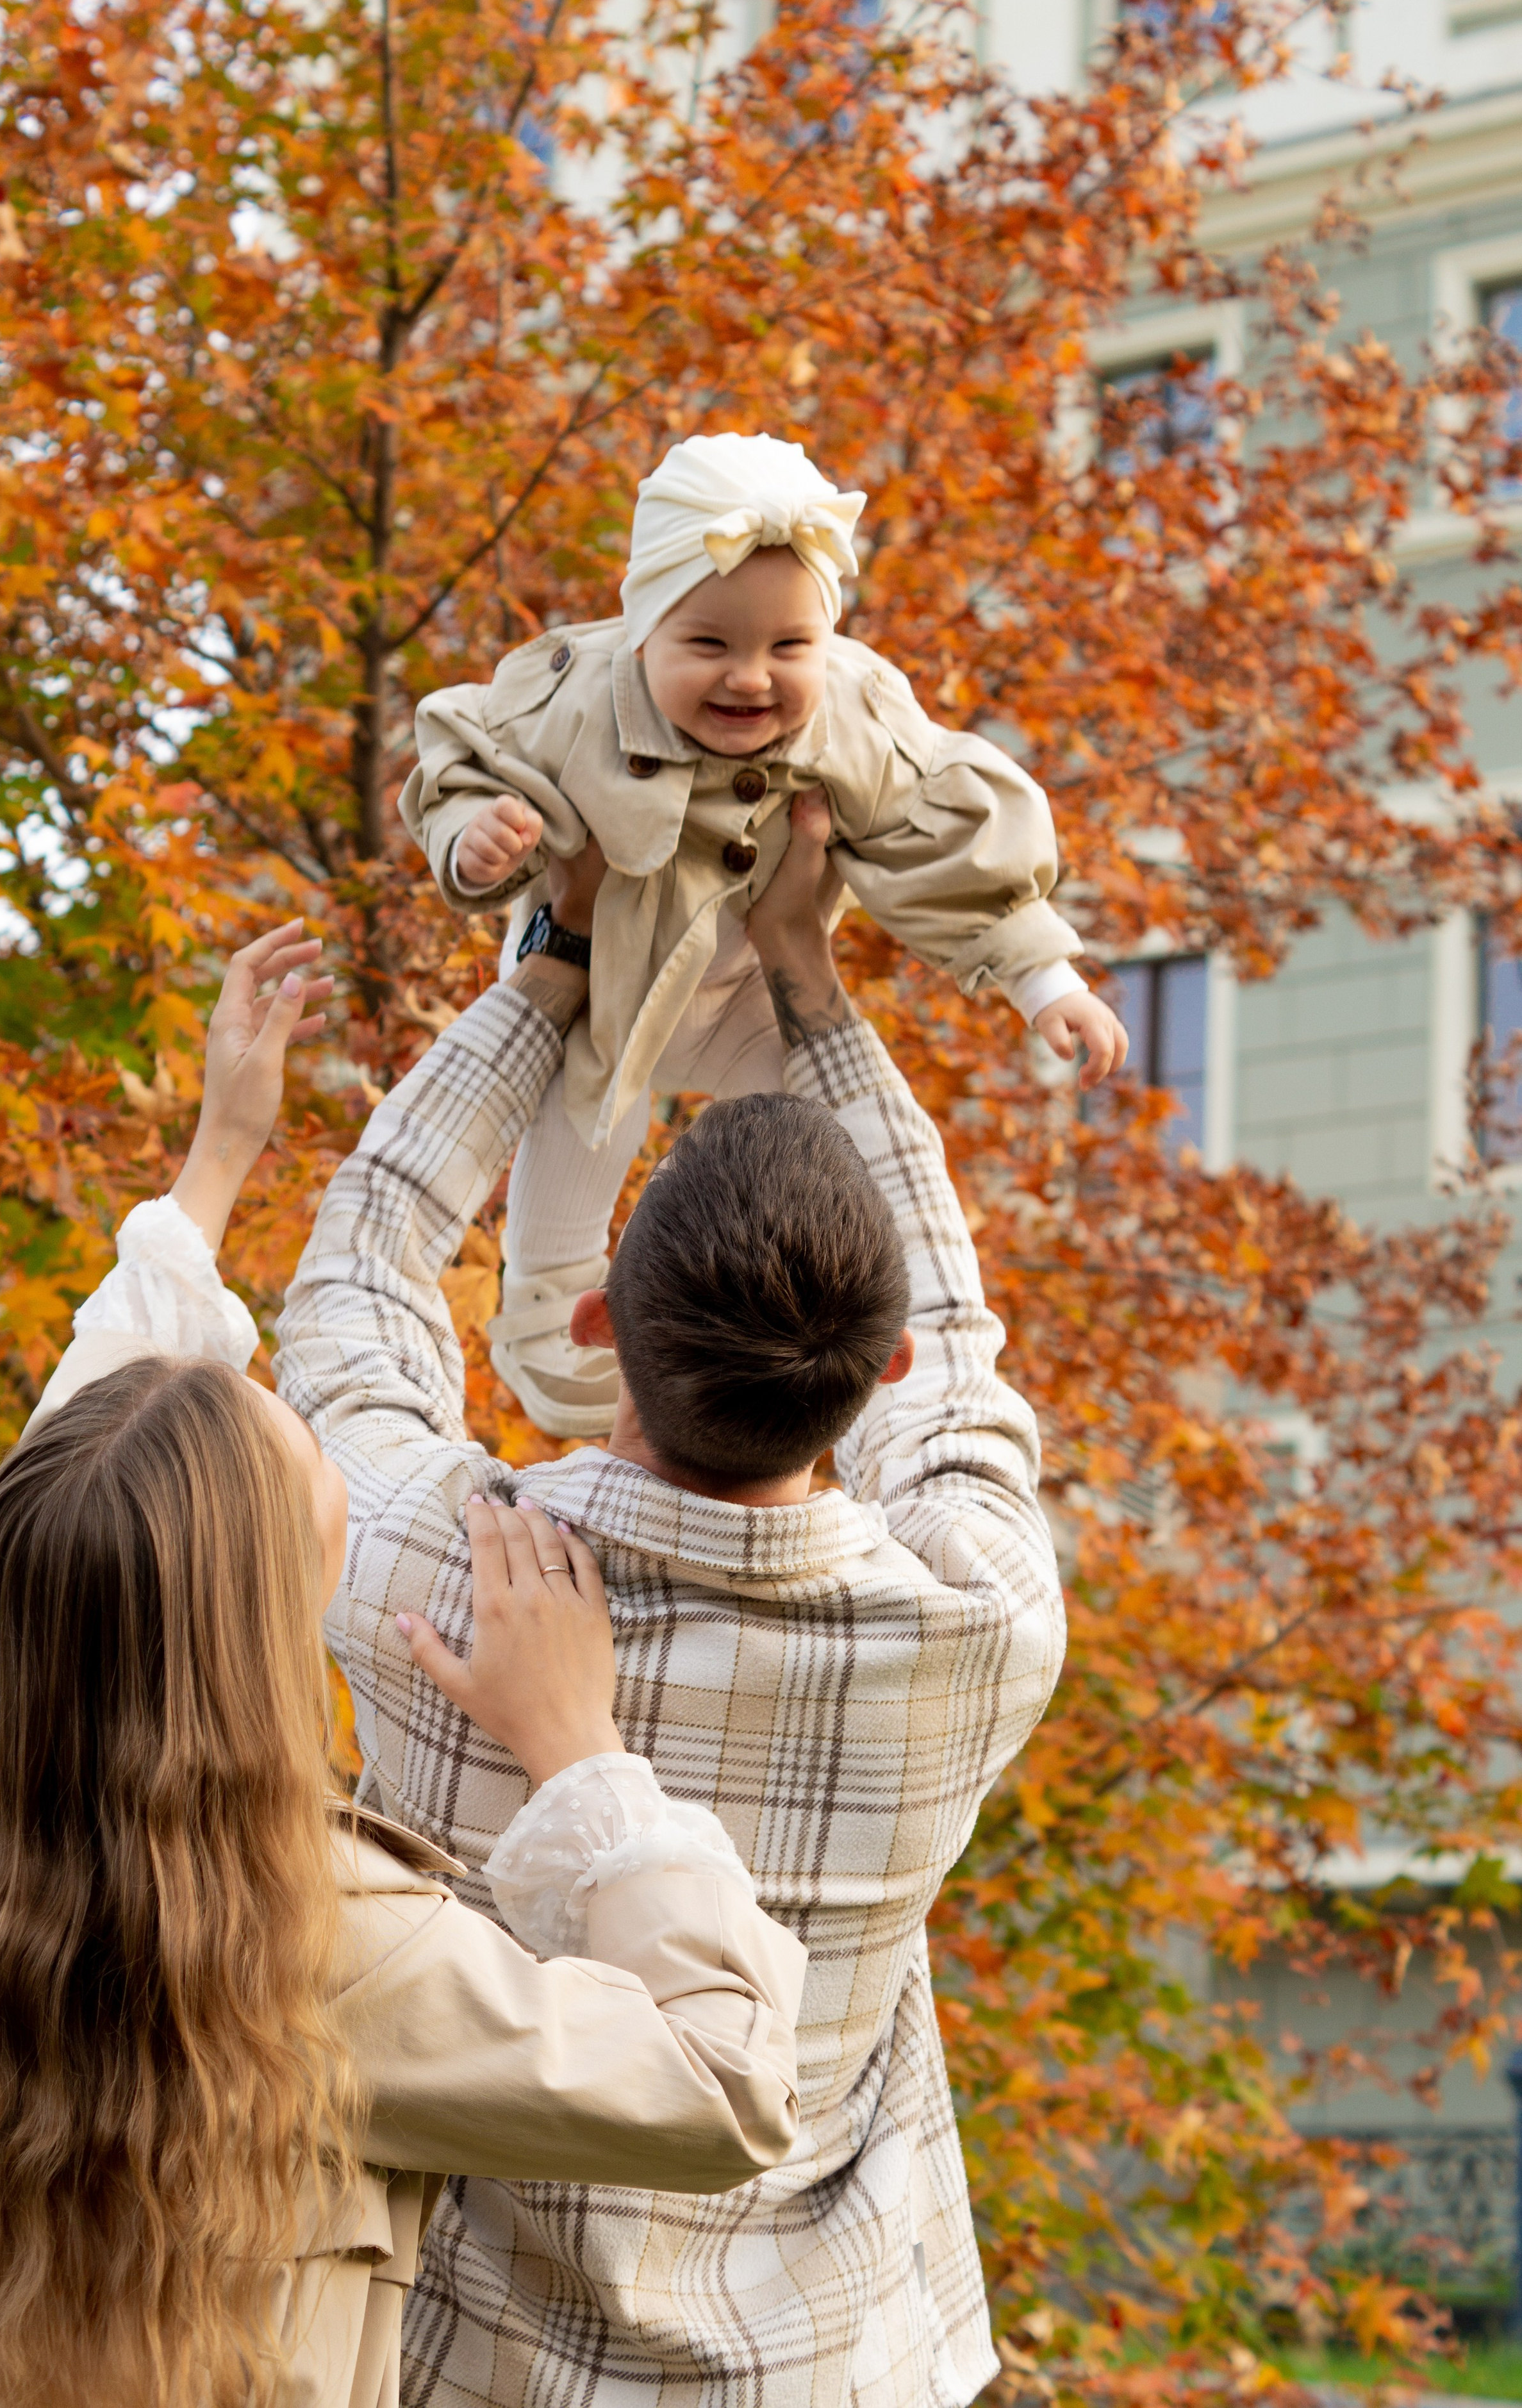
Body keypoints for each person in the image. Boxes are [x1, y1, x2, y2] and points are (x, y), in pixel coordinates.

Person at [0, 922, 807, 2408]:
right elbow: (723, 2089)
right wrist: (588, 1764)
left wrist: (215, 1161)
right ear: (270, 1619)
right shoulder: (320, 1940)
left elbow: (83, 1462)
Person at [277, 799, 1069, 2407]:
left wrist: (551, 970)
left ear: (591, 1325)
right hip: (832, 2370)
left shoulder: (441, 1573)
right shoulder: (980, 1628)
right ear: (882, 1371)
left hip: (468, 2369)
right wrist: (806, 978)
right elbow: (963, 1340)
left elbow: (363, 1266)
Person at [399, 429, 1127, 1434]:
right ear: (643, 629)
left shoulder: (856, 713)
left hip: (756, 998)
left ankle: (831, 1390)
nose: (751, 678)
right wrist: (476, 839)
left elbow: (944, 834)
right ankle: (601, 1421)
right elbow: (460, 753)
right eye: (709, 646)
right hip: (598, 1001)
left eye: (790, 648)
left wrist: (1045, 980)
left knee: (837, 1182)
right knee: (553, 1259)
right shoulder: (573, 693)